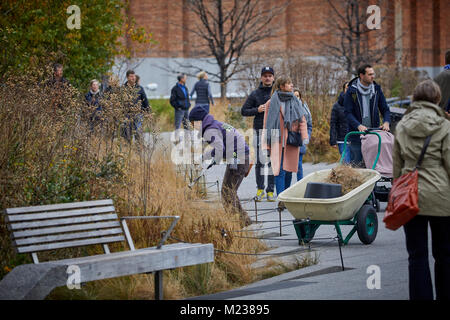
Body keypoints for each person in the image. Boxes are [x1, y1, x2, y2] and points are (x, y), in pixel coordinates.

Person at [392, 80, 450, 300]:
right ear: (437, 99)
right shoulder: (445, 126)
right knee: (444, 254)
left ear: (414, 99)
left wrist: (396, 193)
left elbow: (396, 166)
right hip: (441, 196)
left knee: (416, 256)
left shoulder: (403, 125)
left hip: (410, 193)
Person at [188, 106, 251, 227]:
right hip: (239, 156)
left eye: (192, 123)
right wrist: (203, 157)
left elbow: (219, 148)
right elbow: (220, 147)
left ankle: (234, 222)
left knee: (227, 192)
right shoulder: (215, 125)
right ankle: (243, 220)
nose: (192, 126)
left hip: (238, 158)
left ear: (199, 121)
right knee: (230, 191)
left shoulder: (209, 130)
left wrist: (215, 161)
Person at [262, 76, 308, 200]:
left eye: (291, 83)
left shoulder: (295, 100)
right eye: (288, 83)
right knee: (279, 170)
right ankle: (282, 198)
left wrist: (304, 138)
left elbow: (302, 120)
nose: (291, 85)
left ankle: (286, 195)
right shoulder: (271, 102)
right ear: (281, 86)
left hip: (292, 140)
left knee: (289, 170)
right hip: (276, 139)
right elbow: (267, 124)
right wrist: (266, 144)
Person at [344, 64, 390, 167]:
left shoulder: (377, 90)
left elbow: (385, 109)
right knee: (357, 165)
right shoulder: (352, 91)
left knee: (373, 166)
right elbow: (348, 113)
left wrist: (386, 122)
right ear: (361, 75)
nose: (372, 76)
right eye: (370, 74)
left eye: (373, 74)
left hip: (373, 134)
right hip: (356, 135)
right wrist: (358, 125)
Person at [241, 66, 276, 202]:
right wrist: (257, 109)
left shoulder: (277, 93)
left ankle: (271, 191)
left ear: (273, 77)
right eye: (265, 75)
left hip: (274, 131)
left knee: (272, 163)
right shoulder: (255, 94)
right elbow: (244, 111)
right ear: (261, 78)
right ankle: (260, 189)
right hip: (259, 130)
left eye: (270, 75)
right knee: (260, 162)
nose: (267, 78)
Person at [122, 70, 150, 142]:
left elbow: (145, 101)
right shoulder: (123, 88)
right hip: (127, 114)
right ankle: (128, 149)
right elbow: (120, 102)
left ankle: (139, 149)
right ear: (127, 77)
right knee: (127, 134)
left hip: (138, 113)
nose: (133, 78)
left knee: (138, 131)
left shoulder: (140, 88)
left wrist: (148, 112)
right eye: (131, 76)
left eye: (134, 76)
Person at [293, 88, 313, 181]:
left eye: (298, 96)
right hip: (291, 138)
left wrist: (306, 137)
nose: (296, 98)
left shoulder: (305, 107)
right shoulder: (288, 107)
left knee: (299, 164)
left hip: (301, 138)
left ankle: (300, 182)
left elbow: (309, 125)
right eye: (294, 96)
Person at [330, 82, 351, 164]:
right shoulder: (337, 106)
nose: (349, 90)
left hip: (355, 138)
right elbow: (333, 123)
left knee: (356, 164)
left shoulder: (356, 103)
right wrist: (333, 140)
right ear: (343, 90)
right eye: (347, 88)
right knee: (346, 163)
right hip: (342, 139)